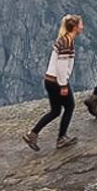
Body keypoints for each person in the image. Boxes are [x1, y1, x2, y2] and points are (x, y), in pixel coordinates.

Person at [28, 14, 86, 146]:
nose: (83, 27)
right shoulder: (67, 42)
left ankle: (33, 134)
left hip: (50, 80)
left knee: (55, 111)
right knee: (70, 106)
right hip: (57, 81)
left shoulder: (63, 39)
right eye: (81, 25)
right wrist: (64, 85)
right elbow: (61, 66)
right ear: (75, 27)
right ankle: (61, 138)